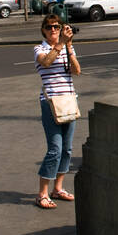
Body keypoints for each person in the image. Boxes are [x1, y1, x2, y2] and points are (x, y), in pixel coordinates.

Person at [34, 14, 80, 209]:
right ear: (44, 30)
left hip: (69, 101)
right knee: (55, 149)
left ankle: (58, 188)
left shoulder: (67, 47)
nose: (53, 30)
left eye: (57, 27)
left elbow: (76, 71)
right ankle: (42, 193)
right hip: (51, 103)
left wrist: (69, 46)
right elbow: (46, 62)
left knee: (67, 150)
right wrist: (60, 44)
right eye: (50, 27)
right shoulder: (39, 48)